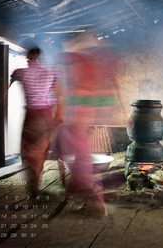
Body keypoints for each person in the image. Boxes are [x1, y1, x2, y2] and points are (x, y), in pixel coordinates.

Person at [56, 32, 120, 219]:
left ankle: (96, 205)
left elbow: (65, 89)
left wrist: (60, 113)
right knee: (80, 156)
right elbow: (106, 87)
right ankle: (70, 189)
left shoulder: (74, 60)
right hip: (84, 113)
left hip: (76, 113)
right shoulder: (95, 60)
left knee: (82, 159)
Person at [10, 48, 63, 197]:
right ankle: (35, 184)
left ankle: (33, 186)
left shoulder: (19, 72)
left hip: (31, 114)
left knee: (28, 151)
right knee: (41, 150)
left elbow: (3, 91)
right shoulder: (51, 73)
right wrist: (58, 115)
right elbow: (58, 96)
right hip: (45, 113)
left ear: (28, 57)